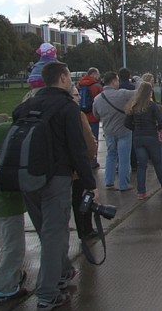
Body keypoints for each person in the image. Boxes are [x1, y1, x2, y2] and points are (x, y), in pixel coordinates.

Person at [13, 61, 98, 310]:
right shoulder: (66, 107)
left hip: (27, 176)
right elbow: (77, 148)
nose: (71, 81)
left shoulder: (26, 106)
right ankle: (48, 292)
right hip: (57, 177)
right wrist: (88, 182)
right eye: (69, 77)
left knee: (45, 231)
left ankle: (60, 271)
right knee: (55, 234)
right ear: (62, 78)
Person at [0, 114, 28, 301]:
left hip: (2, 208)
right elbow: (11, 188)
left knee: (11, 245)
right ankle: (4, 286)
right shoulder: (6, 162)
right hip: (8, 209)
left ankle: (15, 276)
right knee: (14, 248)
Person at [124, 82, 162, 200]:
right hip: (151, 136)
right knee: (157, 162)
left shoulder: (133, 105)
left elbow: (126, 123)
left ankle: (141, 191)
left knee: (142, 165)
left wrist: (135, 129)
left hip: (138, 137)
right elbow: (161, 120)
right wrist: (156, 128)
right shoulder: (151, 105)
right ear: (149, 93)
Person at [93, 72, 135, 191]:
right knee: (124, 158)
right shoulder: (122, 94)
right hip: (123, 129)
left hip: (108, 131)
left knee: (110, 155)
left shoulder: (97, 99)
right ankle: (124, 184)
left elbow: (96, 115)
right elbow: (139, 93)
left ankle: (109, 181)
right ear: (113, 81)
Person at [69, 83, 98, 241]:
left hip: (57, 169)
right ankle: (86, 230)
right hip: (77, 168)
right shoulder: (76, 114)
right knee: (82, 198)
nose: (79, 97)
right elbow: (88, 143)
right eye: (76, 95)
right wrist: (90, 155)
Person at [78, 68, 102, 168]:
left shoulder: (79, 85)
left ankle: (84, 160)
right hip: (93, 116)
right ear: (94, 74)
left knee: (82, 138)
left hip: (81, 115)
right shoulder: (96, 86)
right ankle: (93, 160)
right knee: (94, 138)